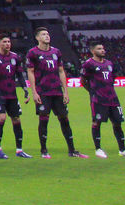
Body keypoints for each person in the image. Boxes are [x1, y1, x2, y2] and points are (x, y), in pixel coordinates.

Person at [25, 27, 84, 158]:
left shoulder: (56, 52)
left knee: (64, 118)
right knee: (44, 119)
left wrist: (66, 92)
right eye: (43, 34)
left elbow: (61, 71)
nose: (47, 36)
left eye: (47, 34)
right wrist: (34, 92)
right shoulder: (33, 53)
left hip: (57, 92)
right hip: (43, 92)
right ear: (37, 38)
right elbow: (30, 72)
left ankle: (72, 150)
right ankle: (44, 150)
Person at [80, 43, 125, 158]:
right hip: (98, 99)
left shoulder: (109, 63)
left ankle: (122, 149)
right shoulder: (88, 64)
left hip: (113, 98)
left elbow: (113, 78)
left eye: (103, 48)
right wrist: (92, 92)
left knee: (117, 123)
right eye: (99, 48)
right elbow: (83, 80)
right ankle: (98, 149)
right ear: (92, 51)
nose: (102, 50)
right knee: (97, 122)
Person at [0, 34, 30, 159]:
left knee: (16, 119)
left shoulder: (15, 57)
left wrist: (25, 89)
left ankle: (19, 150)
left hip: (12, 94)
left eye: (9, 41)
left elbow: (20, 75)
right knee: (2, 118)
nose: (7, 44)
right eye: (4, 42)